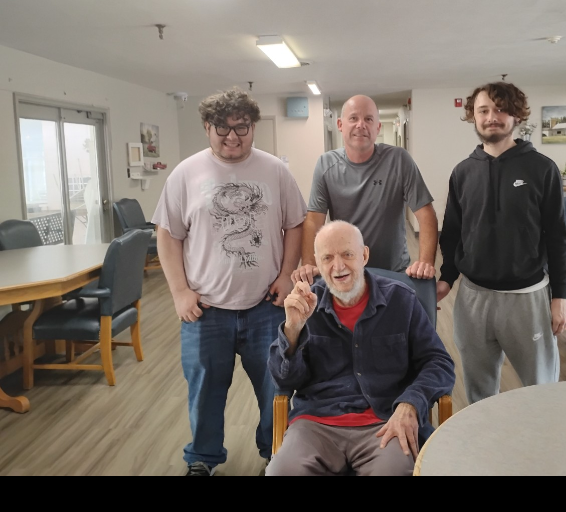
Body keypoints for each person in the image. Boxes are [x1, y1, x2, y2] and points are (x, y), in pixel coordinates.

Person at [153, 86, 306, 476]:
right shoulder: (185, 174)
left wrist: (286, 275)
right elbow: (167, 235)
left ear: (253, 127)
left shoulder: (275, 170)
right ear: (208, 127)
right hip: (205, 311)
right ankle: (202, 458)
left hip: (265, 307)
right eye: (223, 128)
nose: (233, 136)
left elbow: (295, 223)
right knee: (204, 391)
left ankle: (276, 451)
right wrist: (179, 292)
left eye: (242, 127)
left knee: (276, 388)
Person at [267, 221, 455, 477]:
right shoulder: (305, 304)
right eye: (327, 258)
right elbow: (285, 381)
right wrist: (292, 329)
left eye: (347, 254)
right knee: (281, 472)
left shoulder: (401, 299)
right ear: (317, 263)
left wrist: (411, 403)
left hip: (384, 421)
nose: (338, 266)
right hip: (316, 422)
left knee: (395, 472)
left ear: (364, 255)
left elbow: (439, 363)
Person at [438, 82, 566, 401]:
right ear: (473, 116)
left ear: (516, 115)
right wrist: (446, 278)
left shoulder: (542, 169)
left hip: (527, 297)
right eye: (483, 110)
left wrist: (560, 296)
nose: (491, 117)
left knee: (541, 391)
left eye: (500, 109)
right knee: (479, 393)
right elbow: (453, 232)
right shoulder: (462, 173)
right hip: (473, 299)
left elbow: (558, 236)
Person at [295, 95, 438, 285]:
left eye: (368, 119)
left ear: (377, 127)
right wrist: (308, 264)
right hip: (344, 273)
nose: (361, 125)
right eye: (353, 118)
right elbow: (313, 220)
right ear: (340, 124)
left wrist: (425, 262)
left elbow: (425, 213)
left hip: (393, 273)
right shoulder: (326, 164)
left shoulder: (398, 160)